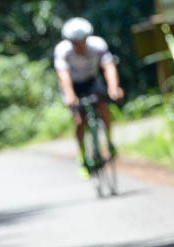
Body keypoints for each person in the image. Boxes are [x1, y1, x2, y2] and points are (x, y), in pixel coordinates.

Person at [54, 17, 124, 179]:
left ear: (87, 38)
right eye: (75, 42)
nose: (79, 45)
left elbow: (109, 67)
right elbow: (63, 75)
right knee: (79, 121)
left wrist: (113, 87)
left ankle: (109, 141)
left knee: (103, 107)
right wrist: (70, 96)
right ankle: (83, 157)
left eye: (82, 41)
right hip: (72, 85)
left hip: (91, 81)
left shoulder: (98, 45)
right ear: (70, 41)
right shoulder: (62, 50)